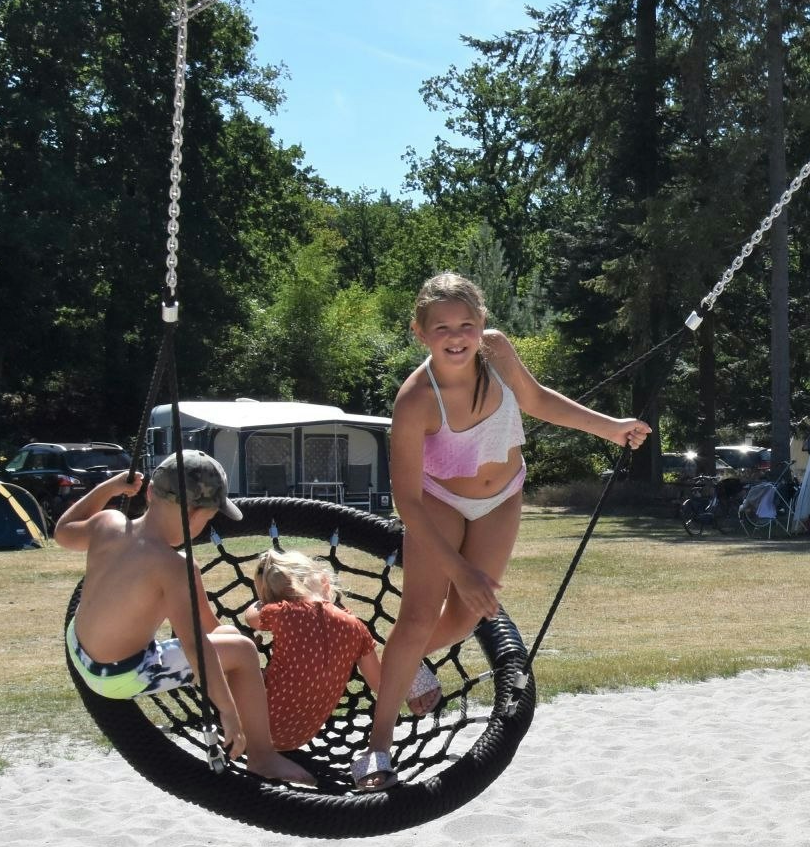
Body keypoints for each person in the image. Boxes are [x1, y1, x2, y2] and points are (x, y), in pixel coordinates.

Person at [355, 272, 651, 790]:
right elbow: (407, 500)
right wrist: (459, 569)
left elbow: (536, 400)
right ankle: (378, 746)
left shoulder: (495, 352)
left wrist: (610, 427)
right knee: (420, 613)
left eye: (467, 323)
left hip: (502, 495)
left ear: (483, 323)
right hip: (437, 499)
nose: (457, 335)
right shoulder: (416, 400)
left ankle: (388, 664)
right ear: (420, 332)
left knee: (467, 618)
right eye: (442, 326)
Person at [55, 453, 312, 787]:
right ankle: (263, 758)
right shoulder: (173, 567)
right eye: (207, 519)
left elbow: (62, 532)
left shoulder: (108, 523)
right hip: (118, 674)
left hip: (79, 647)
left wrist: (111, 487)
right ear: (193, 515)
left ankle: (247, 693)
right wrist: (229, 711)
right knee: (245, 652)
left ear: (150, 494)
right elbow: (196, 646)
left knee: (231, 637)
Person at [249, 548, 417, 754]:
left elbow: (250, 617)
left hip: (254, 726)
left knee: (235, 644)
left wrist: (263, 603)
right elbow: (379, 684)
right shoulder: (356, 627)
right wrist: (408, 680)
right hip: (298, 736)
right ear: (325, 581)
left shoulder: (282, 613)